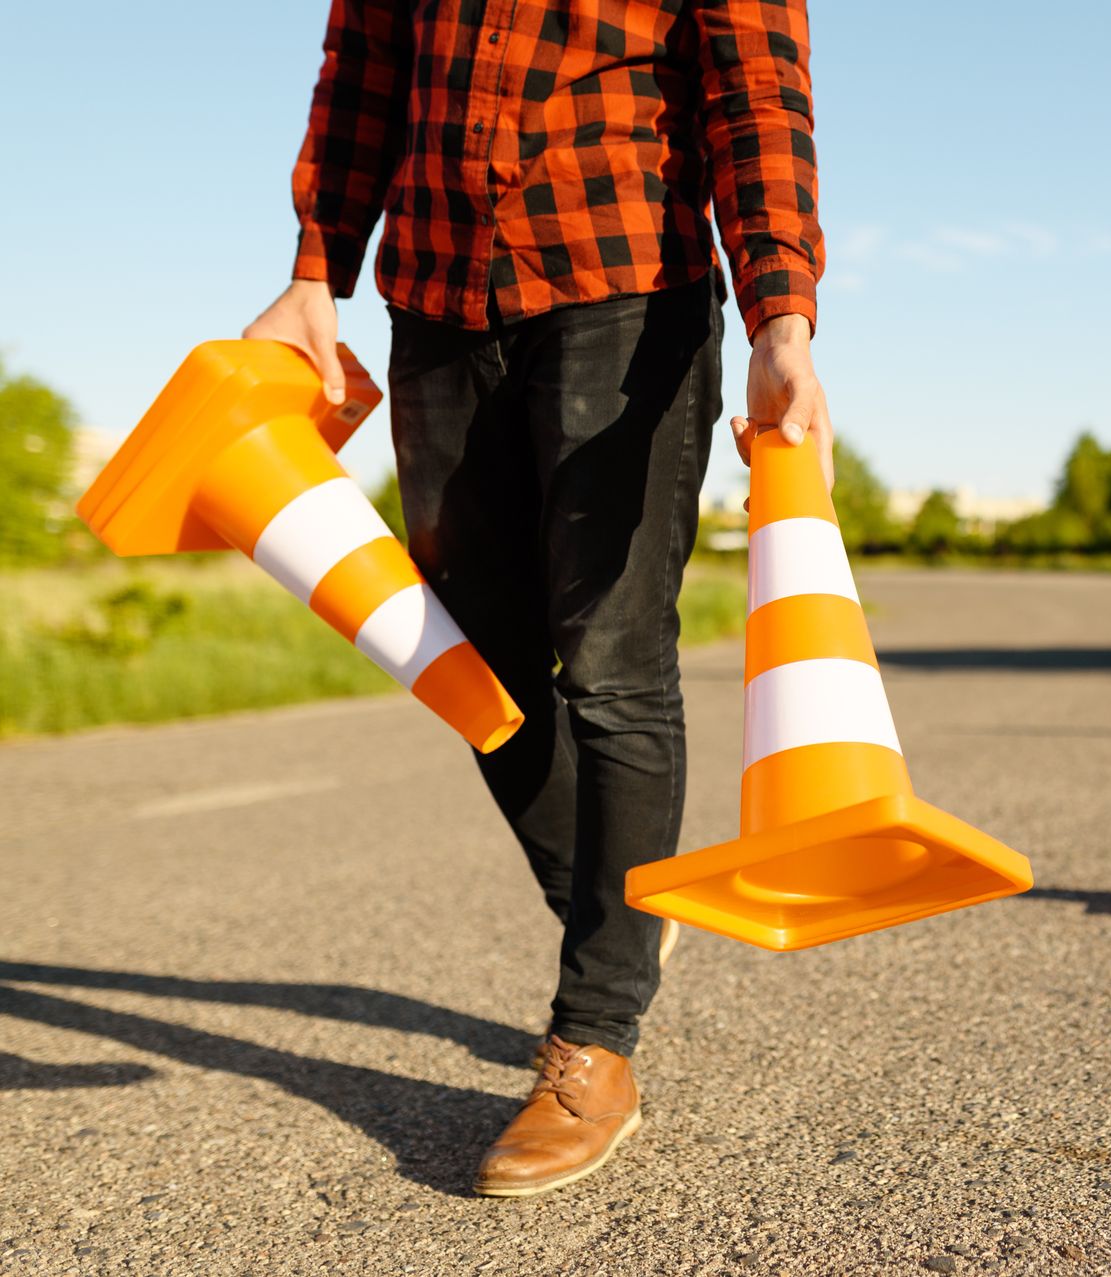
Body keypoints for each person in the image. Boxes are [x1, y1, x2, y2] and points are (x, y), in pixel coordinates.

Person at [242, 0, 829, 1197]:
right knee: (474, 666)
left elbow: (755, 96)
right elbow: (361, 70)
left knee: (611, 664)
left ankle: (595, 1039)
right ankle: (624, 901)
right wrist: (316, 269)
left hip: (626, 292)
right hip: (438, 301)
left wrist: (781, 314)